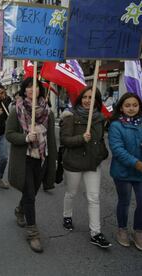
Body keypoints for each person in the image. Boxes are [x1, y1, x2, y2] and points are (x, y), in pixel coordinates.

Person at [5, 77, 57, 253]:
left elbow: (51, 139)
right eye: (27, 87)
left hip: (41, 158)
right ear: (23, 90)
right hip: (24, 158)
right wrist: (25, 138)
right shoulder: (16, 110)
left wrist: (53, 160)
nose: (31, 89)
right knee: (30, 194)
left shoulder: (48, 112)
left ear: (39, 90)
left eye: (34, 86)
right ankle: (33, 233)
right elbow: (9, 134)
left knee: (32, 192)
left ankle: (20, 210)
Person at [60, 86, 111, 249]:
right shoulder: (71, 117)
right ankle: (67, 215)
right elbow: (65, 140)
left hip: (92, 163)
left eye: (91, 97)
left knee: (94, 198)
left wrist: (102, 153)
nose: (88, 100)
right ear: (80, 99)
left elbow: (100, 140)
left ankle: (95, 233)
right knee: (71, 193)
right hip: (74, 163)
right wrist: (81, 138)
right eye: (85, 97)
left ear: (97, 101)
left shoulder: (100, 118)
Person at [108, 93, 142, 250]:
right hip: (123, 172)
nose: (131, 108)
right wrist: (136, 163)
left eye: (135, 105)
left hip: (140, 172)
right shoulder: (116, 125)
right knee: (125, 201)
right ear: (121, 107)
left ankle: (138, 231)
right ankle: (122, 229)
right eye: (127, 105)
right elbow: (117, 149)